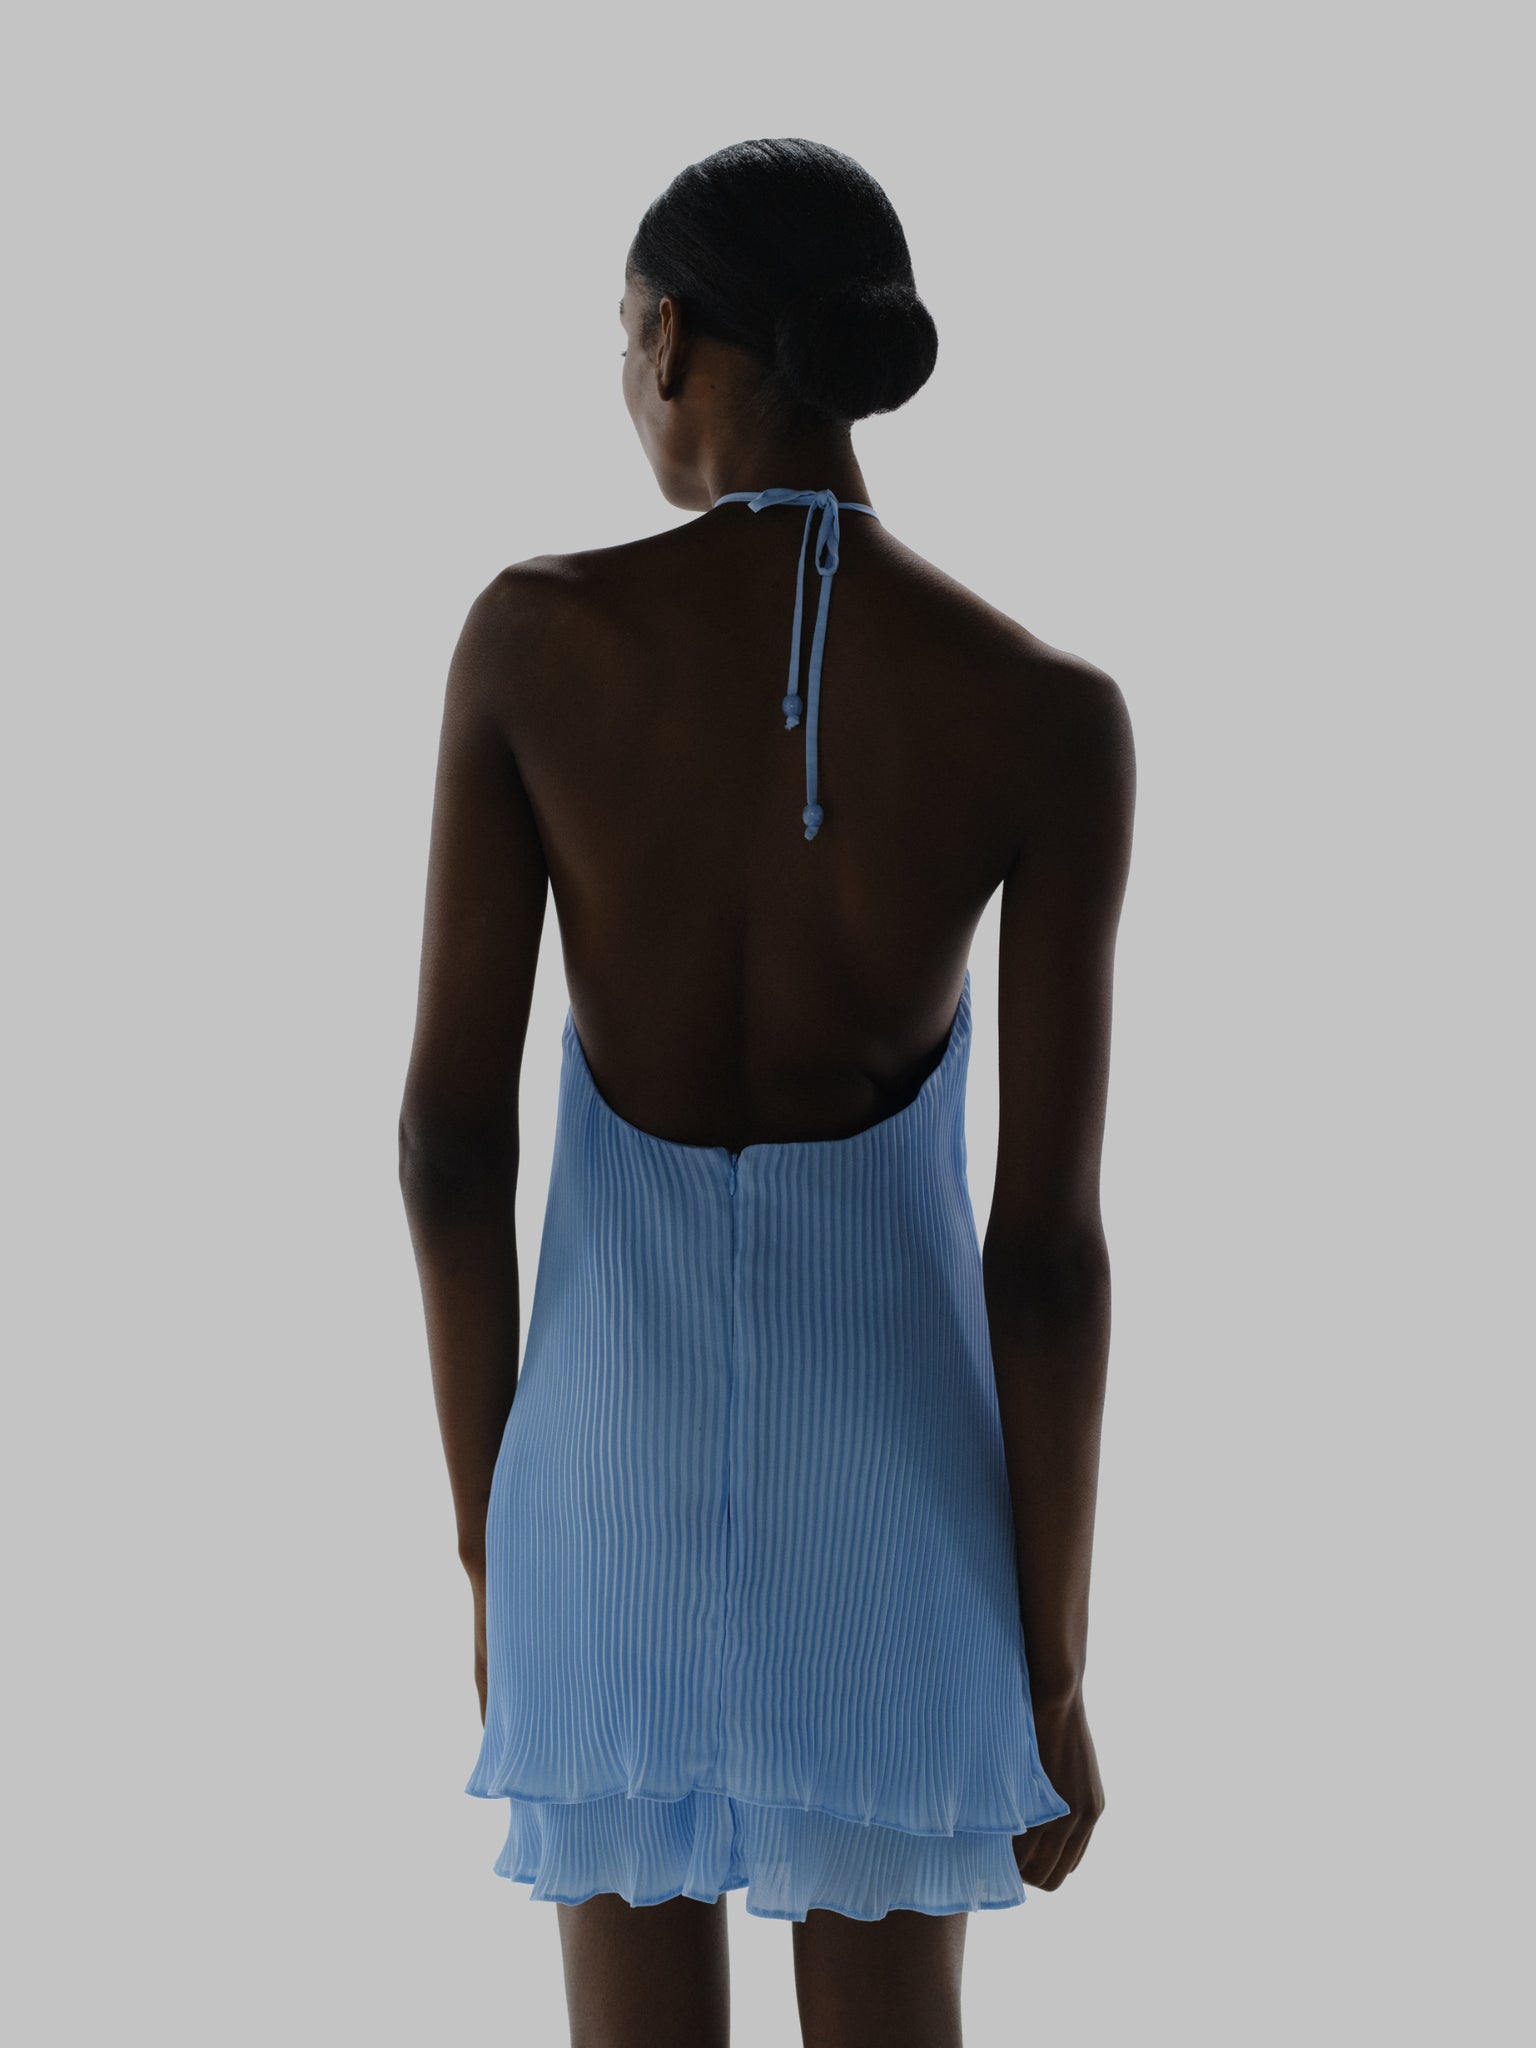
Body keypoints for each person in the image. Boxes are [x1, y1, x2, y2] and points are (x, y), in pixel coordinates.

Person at [399, 137, 1135, 2048]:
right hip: (901, 1506)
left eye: (621, 338)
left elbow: (448, 1150)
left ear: (669, 342)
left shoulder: (534, 642)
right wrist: (1054, 1663)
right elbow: (1046, 1257)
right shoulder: (1044, 712)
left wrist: (492, 1540)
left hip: (601, 1484)